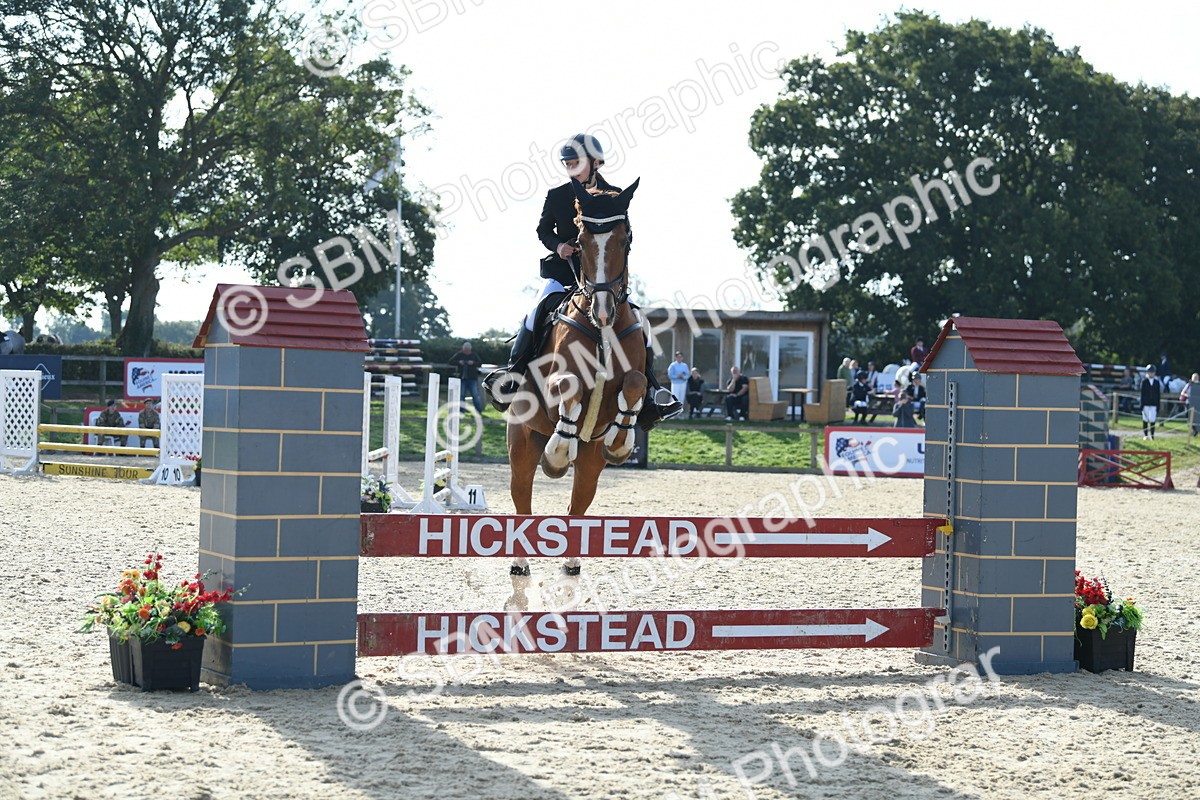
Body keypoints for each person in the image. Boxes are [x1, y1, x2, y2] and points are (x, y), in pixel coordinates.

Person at [482, 133, 681, 425]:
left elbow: (626, 233)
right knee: (533, 314)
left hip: (605, 279)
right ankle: (511, 376)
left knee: (640, 322)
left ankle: (652, 392)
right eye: (568, 164)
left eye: (577, 163)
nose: (572, 169)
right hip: (564, 277)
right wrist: (559, 246)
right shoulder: (557, 195)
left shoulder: (615, 194)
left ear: (595, 162)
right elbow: (543, 230)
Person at [448, 342, 484, 414]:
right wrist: (459, 362)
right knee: (461, 395)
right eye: (465, 349)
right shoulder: (459, 355)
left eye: (467, 350)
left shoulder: (474, 355)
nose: (466, 351)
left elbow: (480, 363)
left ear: (470, 349)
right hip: (462, 378)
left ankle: (478, 410)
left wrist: (473, 363)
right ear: (463, 349)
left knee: (475, 395)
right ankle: (461, 411)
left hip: (472, 378)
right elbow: (450, 362)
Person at [1140, 365, 1161, 439]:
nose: (1151, 374)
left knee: (1152, 420)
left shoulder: (1156, 382)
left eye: (1152, 372)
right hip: (1146, 403)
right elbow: (1142, 394)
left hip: (1154, 404)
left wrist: (1158, 405)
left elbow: (1158, 394)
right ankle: (1145, 435)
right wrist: (1141, 404)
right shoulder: (1144, 382)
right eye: (1150, 372)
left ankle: (1152, 435)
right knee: (1145, 419)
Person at [1183, 372, 1199, 436]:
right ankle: (1193, 429)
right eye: (1194, 378)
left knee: (1196, 418)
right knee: (1187, 415)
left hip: (1197, 404)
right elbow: (1183, 392)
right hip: (1189, 403)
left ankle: (1195, 430)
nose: (1195, 379)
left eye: (1196, 378)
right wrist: (1188, 395)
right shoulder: (1189, 385)